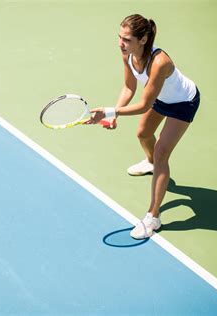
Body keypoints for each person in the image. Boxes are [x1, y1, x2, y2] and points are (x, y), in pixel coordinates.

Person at [85, 14, 200, 239]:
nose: (121, 43)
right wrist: (115, 114)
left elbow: (144, 104)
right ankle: (150, 163)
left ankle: (152, 217)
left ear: (144, 39)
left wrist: (109, 111)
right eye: (119, 37)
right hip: (161, 99)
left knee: (162, 153)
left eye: (126, 39)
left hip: (183, 103)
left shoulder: (160, 62)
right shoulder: (127, 55)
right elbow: (129, 87)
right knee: (143, 134)